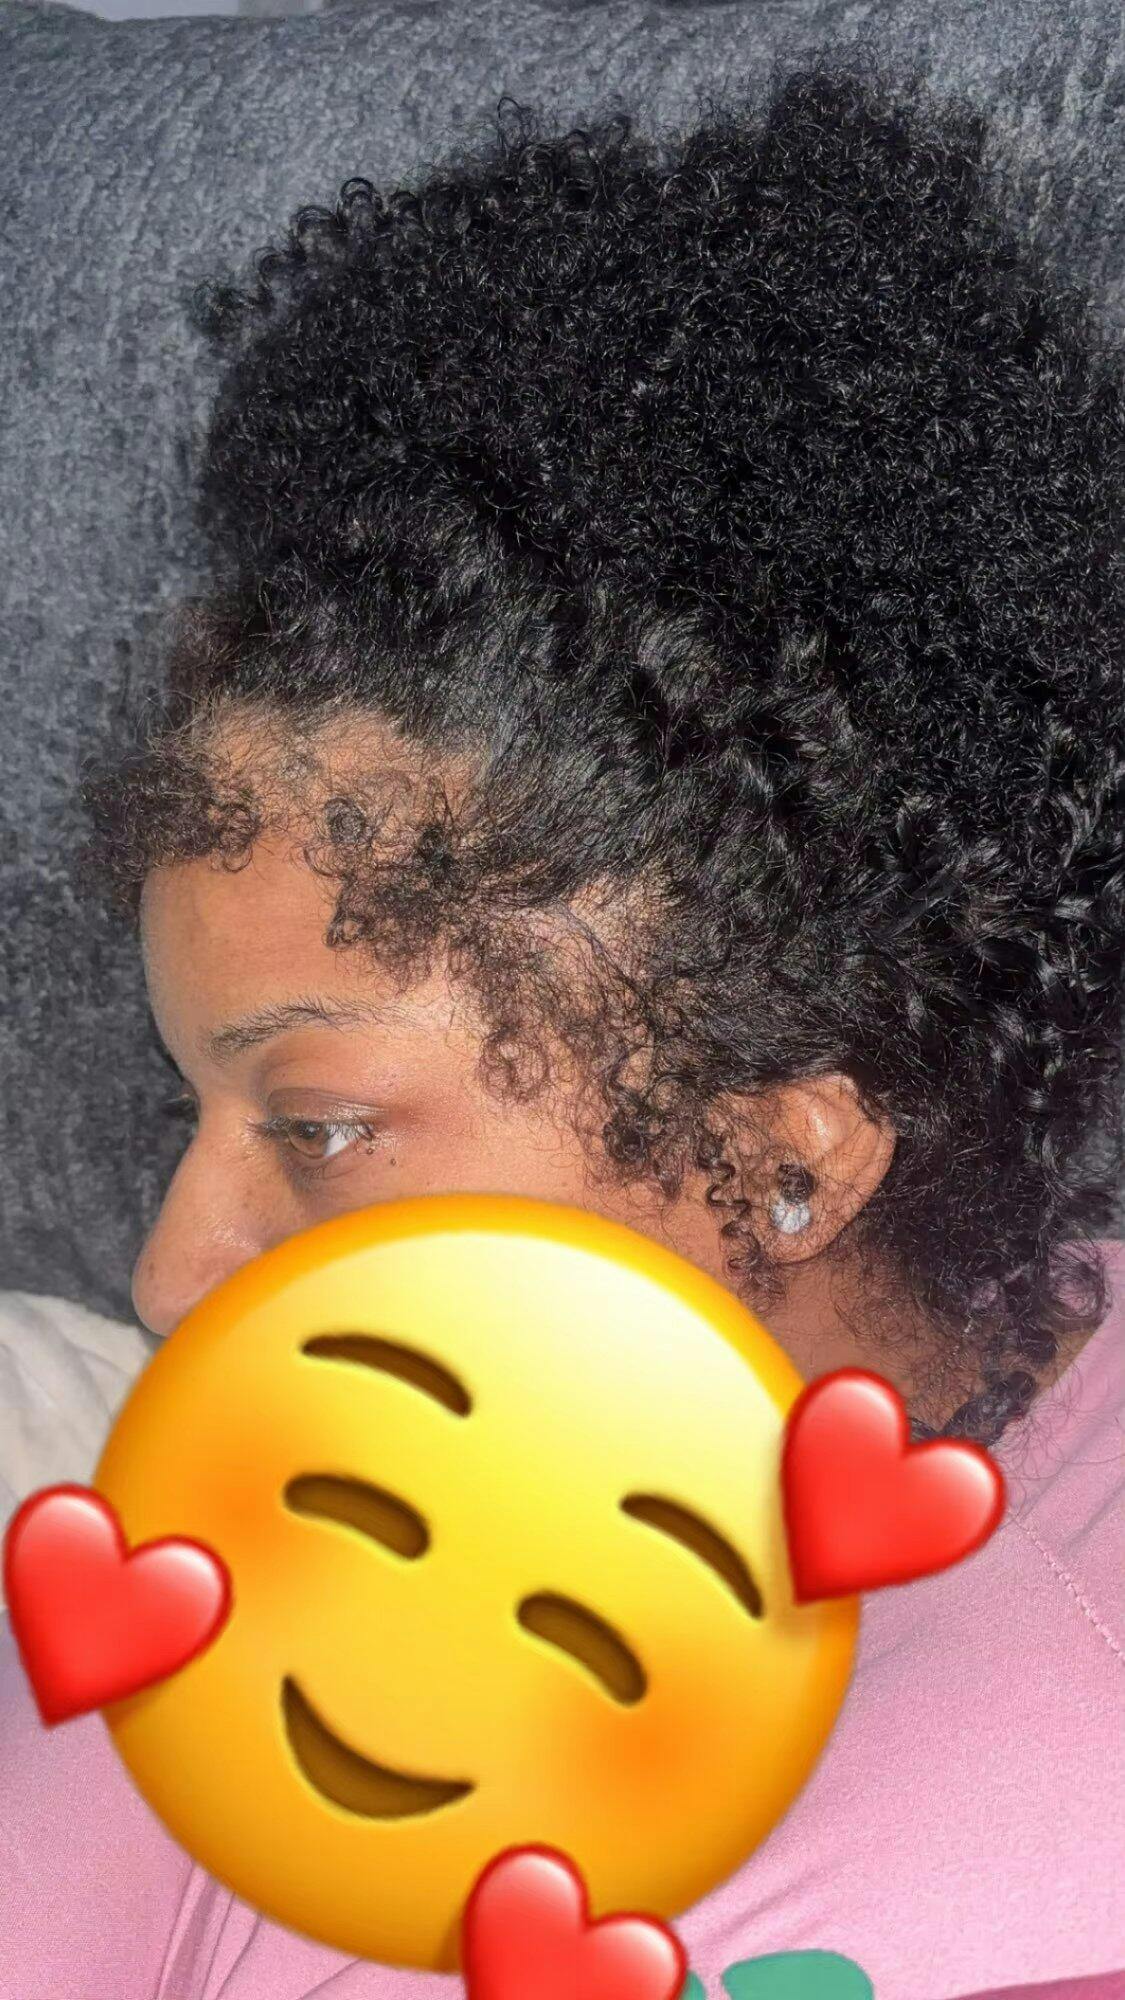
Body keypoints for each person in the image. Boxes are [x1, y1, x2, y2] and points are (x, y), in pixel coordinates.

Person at [1, 47, 1122, 2000]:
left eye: (317, 1123)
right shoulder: (291, 1511)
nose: (171, 1273)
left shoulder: (1021, 1805)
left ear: (779, 1152)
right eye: (197, 1107)